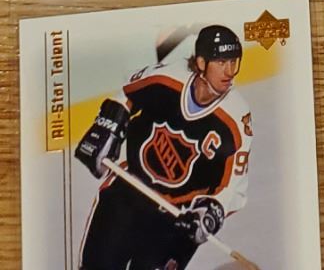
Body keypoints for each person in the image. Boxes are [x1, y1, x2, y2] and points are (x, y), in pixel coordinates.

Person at [75, 21, 251, 269]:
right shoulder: (166, 79)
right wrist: (108, 123)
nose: (230, 71)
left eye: (234, 62)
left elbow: (234, 187)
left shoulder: (237, 119)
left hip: (177, 219)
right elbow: (127, 93)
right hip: (128, 192)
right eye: (222, 62)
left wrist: (212, 212)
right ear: (201, 63)